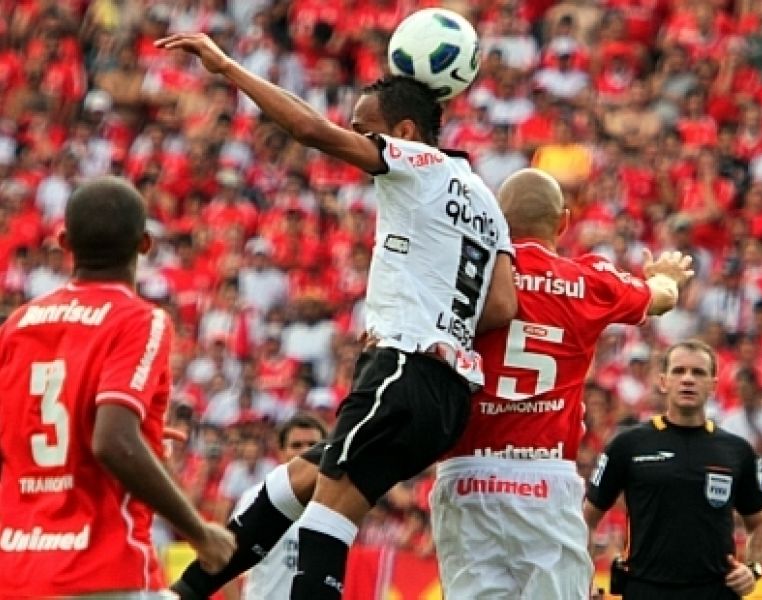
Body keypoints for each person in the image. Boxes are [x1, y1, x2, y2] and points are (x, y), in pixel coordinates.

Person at [156, 33, 517, 600]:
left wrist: (227, 67)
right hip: (448, 399)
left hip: (404, 366)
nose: (357, 138)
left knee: (325, 518)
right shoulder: (487, 201)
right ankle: (185, 592)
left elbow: (309, 130)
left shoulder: (418, 162)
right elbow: (501, 307)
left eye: (365, 128)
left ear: (403, 133)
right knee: (296, 481)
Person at [430, 168, 695, 599]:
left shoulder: (462, 277)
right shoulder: (586, 279)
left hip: (464, 472)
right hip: (541, 475)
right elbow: (660, 298)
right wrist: (667, 274)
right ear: (564, 222)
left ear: (497, 218)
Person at [0, 176, 236, 597]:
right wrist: (199, 534)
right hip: (102, 569)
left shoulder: (18, 324)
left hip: (18, 571)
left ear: (64, 242)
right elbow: (113, 441)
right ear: (145, 244)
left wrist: (141, 437)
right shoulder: (139, 320)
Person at [584, 340, 762, 599]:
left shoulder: (738, 451)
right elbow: (587, 520)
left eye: (698, 372)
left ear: (713, 386)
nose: (688, 379)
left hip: (715, 592)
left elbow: (761, 525)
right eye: (679, 371)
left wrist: (753, 570)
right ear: (663, 381)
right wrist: (584, 578)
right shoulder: (627, 445)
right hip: (646, 591)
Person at [237, 413, 328, 599]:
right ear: (280, 451)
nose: (305, 452)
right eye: (296, 445)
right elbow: (225, 560)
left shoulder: (333, 504)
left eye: (313, 445)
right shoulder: (257, 498)